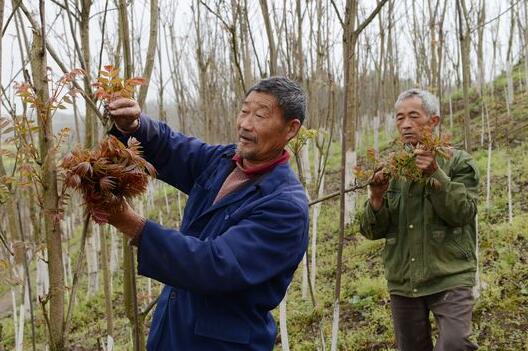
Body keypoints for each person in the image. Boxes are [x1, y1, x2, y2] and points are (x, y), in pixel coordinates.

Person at [106, 77, 309, 350]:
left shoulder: (285, 207)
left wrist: (135, 226)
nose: (245, 124)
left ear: (291, 129)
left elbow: (215, 265)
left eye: (260, 115)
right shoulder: (224, 162)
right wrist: (136, 126)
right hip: (175, 330)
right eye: (244, 111)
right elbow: (173, 149)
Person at [359, 89, 480, 351]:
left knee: (455, 343)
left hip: (450, 274)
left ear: (433, 121)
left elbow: (464, 212)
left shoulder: (458, 162)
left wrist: (435, 173)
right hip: (404, 280)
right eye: (399, 118)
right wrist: (377, 198)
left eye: (413, 116)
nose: (405, 124)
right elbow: (371, 230)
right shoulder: (393, 167)